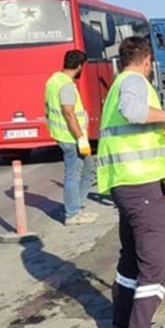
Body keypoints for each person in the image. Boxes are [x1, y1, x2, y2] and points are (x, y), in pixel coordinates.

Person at [97, 36, 165, 328]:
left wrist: (163, 177)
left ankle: (124, 322)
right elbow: (133, 113)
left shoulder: (118, 83)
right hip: (138, 184)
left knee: (132, 258)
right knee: (156, 266)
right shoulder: (134, 82)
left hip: (127, 183)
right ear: (146, 60)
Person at [44, 50, 98, 226]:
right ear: (80, 66)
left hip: (65, 136)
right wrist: (81, 137)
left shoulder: (53, 80)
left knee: (89, 169)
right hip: (71, 138)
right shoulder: (66, 85)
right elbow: (68, 112)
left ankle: (77, 207)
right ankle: (73, 213)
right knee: (73, 175)